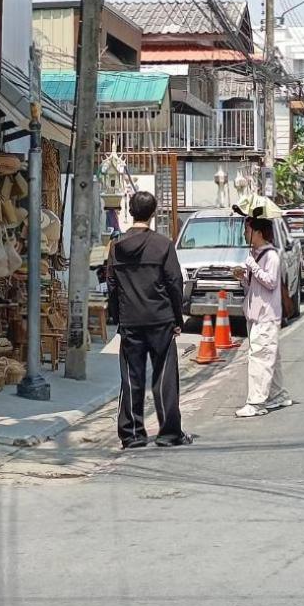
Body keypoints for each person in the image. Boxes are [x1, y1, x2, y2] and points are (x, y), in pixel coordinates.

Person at [105, 190, 192, 450]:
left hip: (130, 320)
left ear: (130, 211)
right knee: (164, 377)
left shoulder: (117, 246)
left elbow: (111, 284)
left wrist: (117, 317)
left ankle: (132, 434)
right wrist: (178, 318)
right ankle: (168, 433)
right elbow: (175, 283)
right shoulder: (163, 245)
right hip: (160, 319)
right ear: (153, 213)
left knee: (132, 377)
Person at [234, 211, 294, 418]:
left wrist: (252, 266)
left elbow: (270, 281)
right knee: (271, 357)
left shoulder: (271, 255)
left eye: (247, 230)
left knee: (260, 358)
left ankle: (257, 402)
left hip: (266, 316)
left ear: (258, 233)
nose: (244, 234)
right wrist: (243, 276)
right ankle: (277, 394)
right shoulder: (257, 255)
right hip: (256, 314)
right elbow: (254, 285)